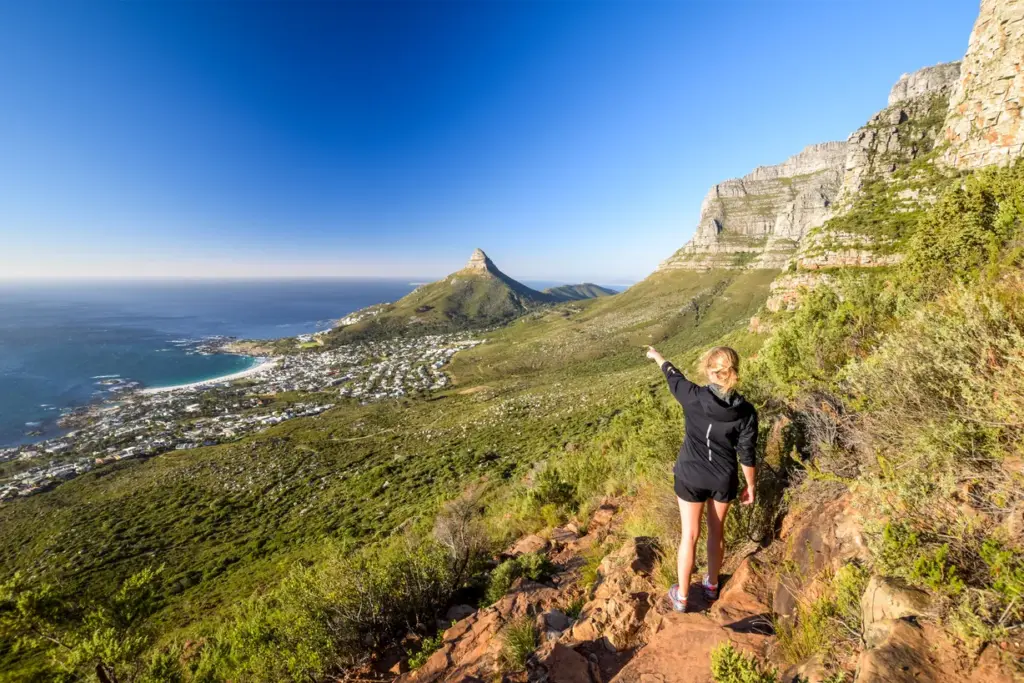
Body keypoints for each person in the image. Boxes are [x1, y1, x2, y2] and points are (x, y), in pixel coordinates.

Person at [645, 345, 758, 612]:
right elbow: (746, 453)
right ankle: (712, 585)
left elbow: (673, 376)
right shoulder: (746, 412)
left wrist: (658, 356)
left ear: (709, 371)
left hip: (690, 475)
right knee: (716, 533)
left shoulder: (692, 396)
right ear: (734, 372)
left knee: (690, 535)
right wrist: (751, 485)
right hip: (723, 478)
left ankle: (682, 596)